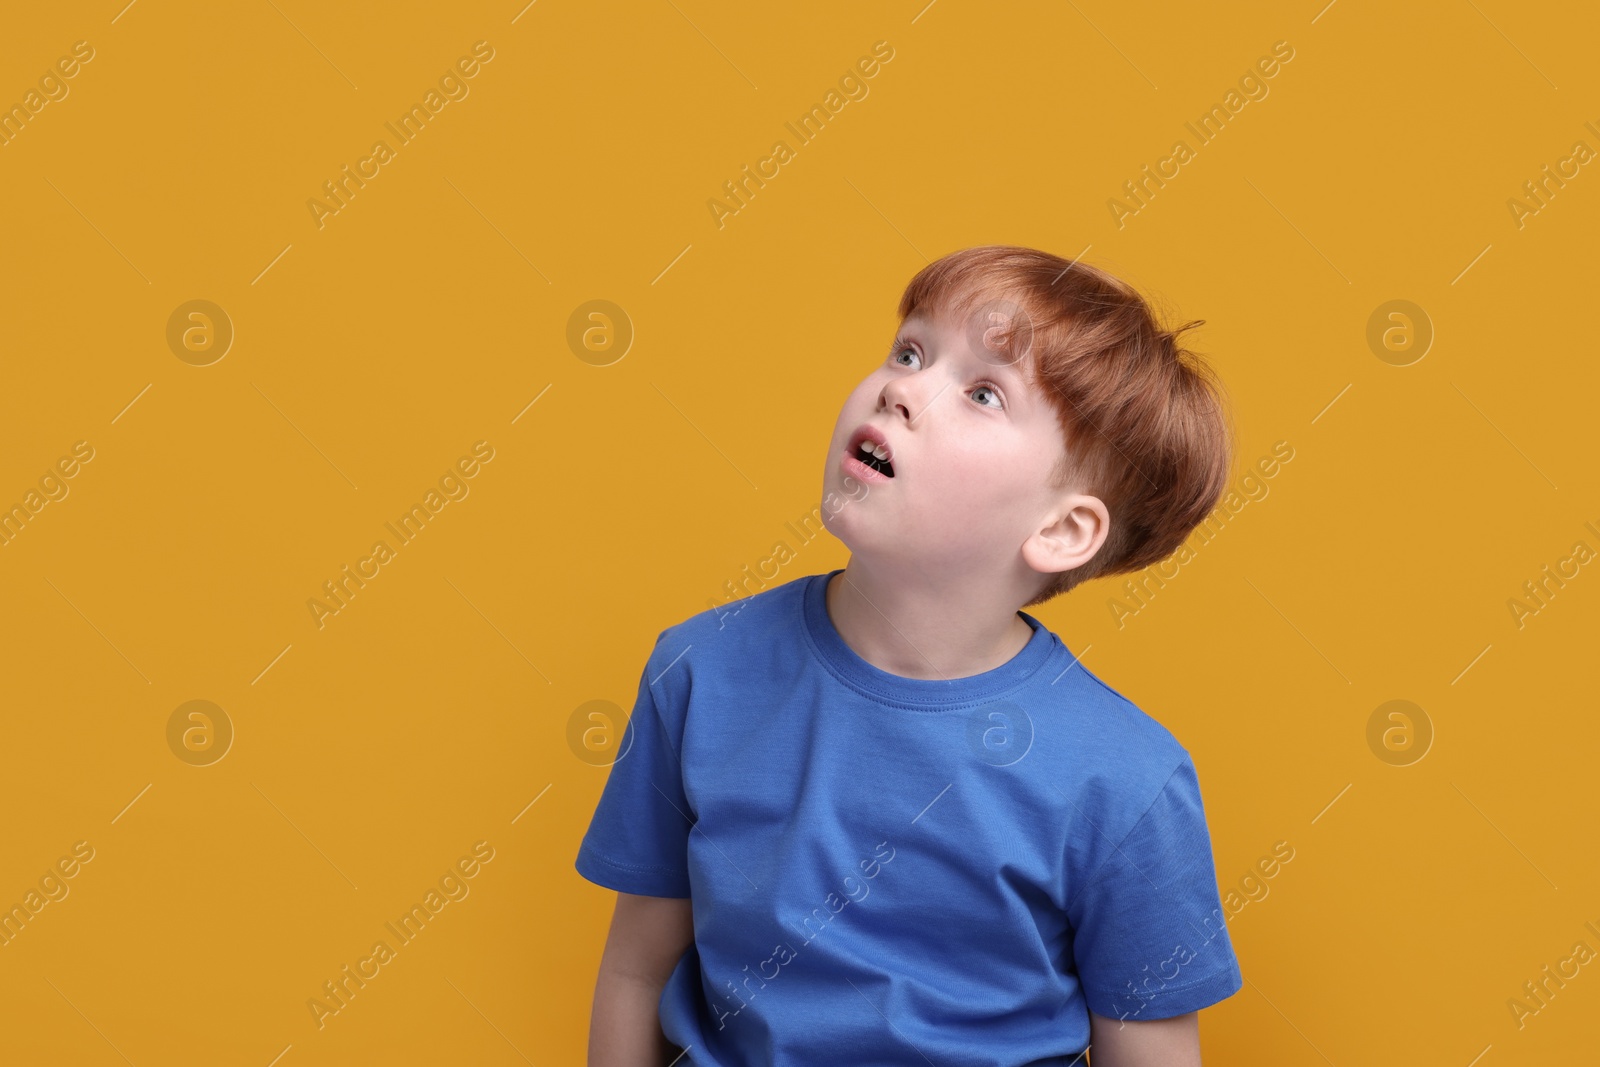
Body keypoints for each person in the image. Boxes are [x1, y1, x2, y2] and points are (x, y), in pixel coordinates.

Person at [576, 245, 1242, 1066]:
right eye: (909, 350)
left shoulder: (1129, 780)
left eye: (984, 392)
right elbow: (636, 971)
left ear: (1064, 530)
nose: (900, 387)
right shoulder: (699, 670)